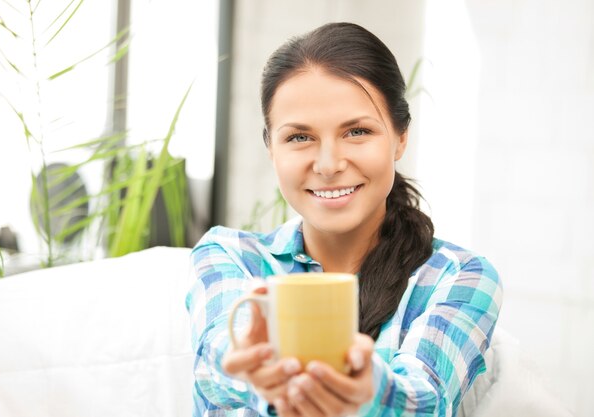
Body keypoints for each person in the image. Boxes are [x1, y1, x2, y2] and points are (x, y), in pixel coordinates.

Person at [186, 22, 502, 417]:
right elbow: (220, 356)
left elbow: (426, 399)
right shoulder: (230, 256)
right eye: (299, 137)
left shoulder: (459, 277)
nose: (329, 164)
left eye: (357, 131)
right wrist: (256, 371)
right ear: (270, 147)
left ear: (400, 137)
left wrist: (369, 391)